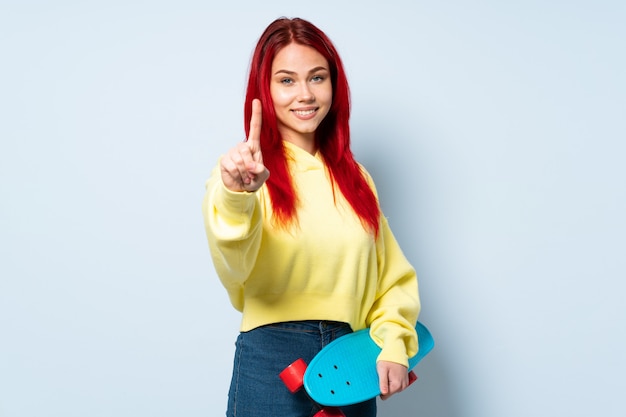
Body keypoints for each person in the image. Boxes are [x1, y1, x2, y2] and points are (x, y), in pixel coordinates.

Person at [202, 17, 420, 417]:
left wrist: (394, 344)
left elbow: (391, 278)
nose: (304, 94)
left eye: (317, 77)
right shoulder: (242, 174)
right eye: (286, 80)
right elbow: (234, 268)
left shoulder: (356, 180)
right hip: (272, 359)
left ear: (334, 87)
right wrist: (237, 196)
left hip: (351, 358)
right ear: (264, 91)